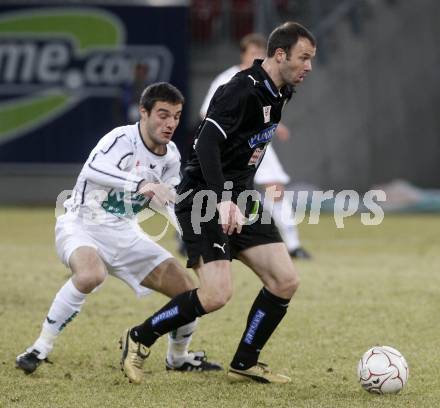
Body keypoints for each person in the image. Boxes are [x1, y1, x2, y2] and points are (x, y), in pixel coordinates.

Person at [120, 22, 316, 384]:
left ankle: (245, 361)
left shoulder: (282, 91)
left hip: (240, 197)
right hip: (203, 195)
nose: (308, 66)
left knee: (285, 281)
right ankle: (139, 337)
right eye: (303, 58)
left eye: (311, 60)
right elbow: (205, 143)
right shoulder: (241, 89)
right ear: (279, 54)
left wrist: (238, 196)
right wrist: (223, 199)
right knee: (215, 295)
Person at [16, 82, 221, 382]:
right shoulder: (121, 139)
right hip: (82, 223)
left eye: (176, 116)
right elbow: (92, 169)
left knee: (188, 293)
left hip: (125, 232)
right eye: (162, 115)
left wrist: (192, 234)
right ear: (143, 112)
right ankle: (39, 348)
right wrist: (141, 184)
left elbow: (172, 201)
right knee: (90, 274)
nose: (170, 123)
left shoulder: (172, 156)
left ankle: (178, 358)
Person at [199, 33, 311, 259]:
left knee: (275, 189)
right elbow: (207, 114)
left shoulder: (270, 82)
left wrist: (275, 126)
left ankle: (293, 244)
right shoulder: (230, 79)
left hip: (257, 145)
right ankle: (196, 236)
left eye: (260, 54)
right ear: (243, 54)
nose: (256, 58)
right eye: (252, 53)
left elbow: (266, 112)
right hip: (231, 150)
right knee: (218, 193)